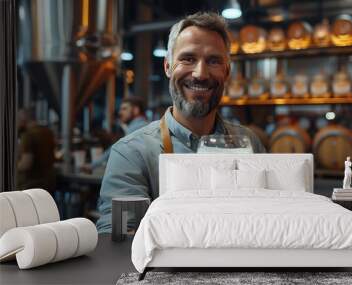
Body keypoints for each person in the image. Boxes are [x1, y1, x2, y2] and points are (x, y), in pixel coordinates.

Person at [96, 12, 265, 233]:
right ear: (167, 67)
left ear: (227, 71)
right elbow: (118, 241)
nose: (200, 73)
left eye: (213, 61)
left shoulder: (248, 143)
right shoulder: (131, 153)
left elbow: (265, 220)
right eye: (188, 59)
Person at [81, 96, 148, 172]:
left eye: (124, 109)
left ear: (136, 110)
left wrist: (92, 165)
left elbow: (116, 149)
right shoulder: (144, 125)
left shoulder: (138, 127)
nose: (120, 112)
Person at [16, 109, 56, 192]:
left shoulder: (28, 135)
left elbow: (26, 164)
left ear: (23, 119)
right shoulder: (48, 132)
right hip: (48, 181)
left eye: (18, 120)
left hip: (31, 185)